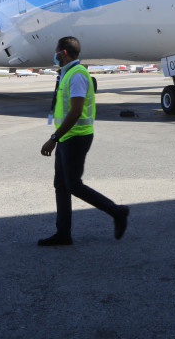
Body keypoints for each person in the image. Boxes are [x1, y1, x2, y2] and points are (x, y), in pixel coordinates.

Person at [39, 36, 129, 246]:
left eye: (56, 51)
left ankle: (117, 212)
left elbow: (76, 111)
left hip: (76, 137)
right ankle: (63, 233)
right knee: (61, 185)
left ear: (63, 53)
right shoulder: (68, 73)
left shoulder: (77, 75)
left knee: (74, 185)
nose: (54, 54)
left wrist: (53, 138)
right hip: (67, 136)